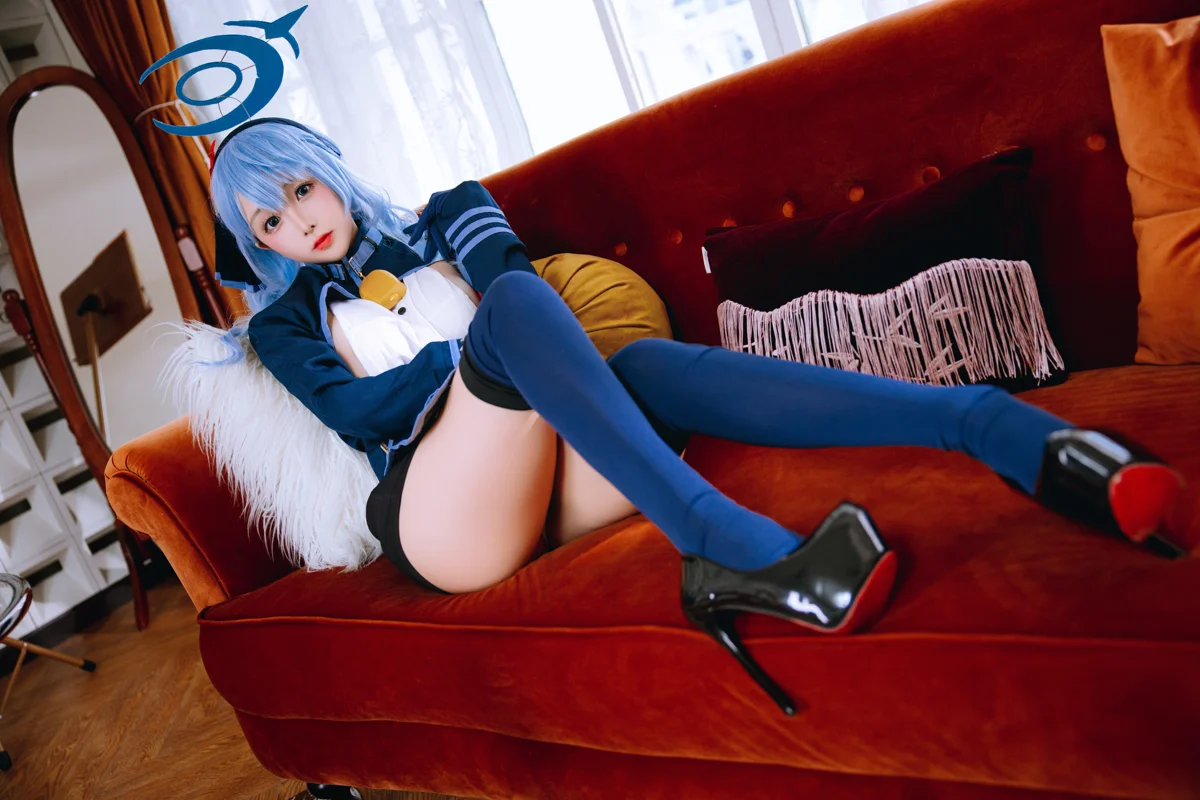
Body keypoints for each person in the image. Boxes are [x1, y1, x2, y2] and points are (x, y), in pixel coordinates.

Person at [207, 118, 1189, 714]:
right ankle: (721, 544)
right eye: (270, 222)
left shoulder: (450, 214)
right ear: (259, 244)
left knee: (630, 360)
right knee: (508, 318)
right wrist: (461, 360)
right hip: (444, 516)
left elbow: (523, 292)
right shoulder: (285, 323)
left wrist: (493, 346)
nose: (302, 223)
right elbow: (358, 409)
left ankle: (990, 426)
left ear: (329, 167)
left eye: (301, 189)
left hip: (552, 469)